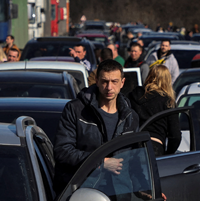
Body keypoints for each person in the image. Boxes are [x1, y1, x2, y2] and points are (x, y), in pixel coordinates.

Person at [53, 59, 139, 193]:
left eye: (114, 82)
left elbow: (136, 158)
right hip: (83, 192)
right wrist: (100, 162)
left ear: (122, 82)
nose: (109, 87)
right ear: (97, 81)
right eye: (105, 81)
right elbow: (63, 151)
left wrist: (146, 189)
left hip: (120, 195)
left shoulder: (130, 117)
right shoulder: (76, 110)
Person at [128, 65, 181, 157]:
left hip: (133, 146)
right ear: (168, 80)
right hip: (155, 147)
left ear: (149, 76)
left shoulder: (133, 95)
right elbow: (175, 136)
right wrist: (168, 154)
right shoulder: (168, 101)